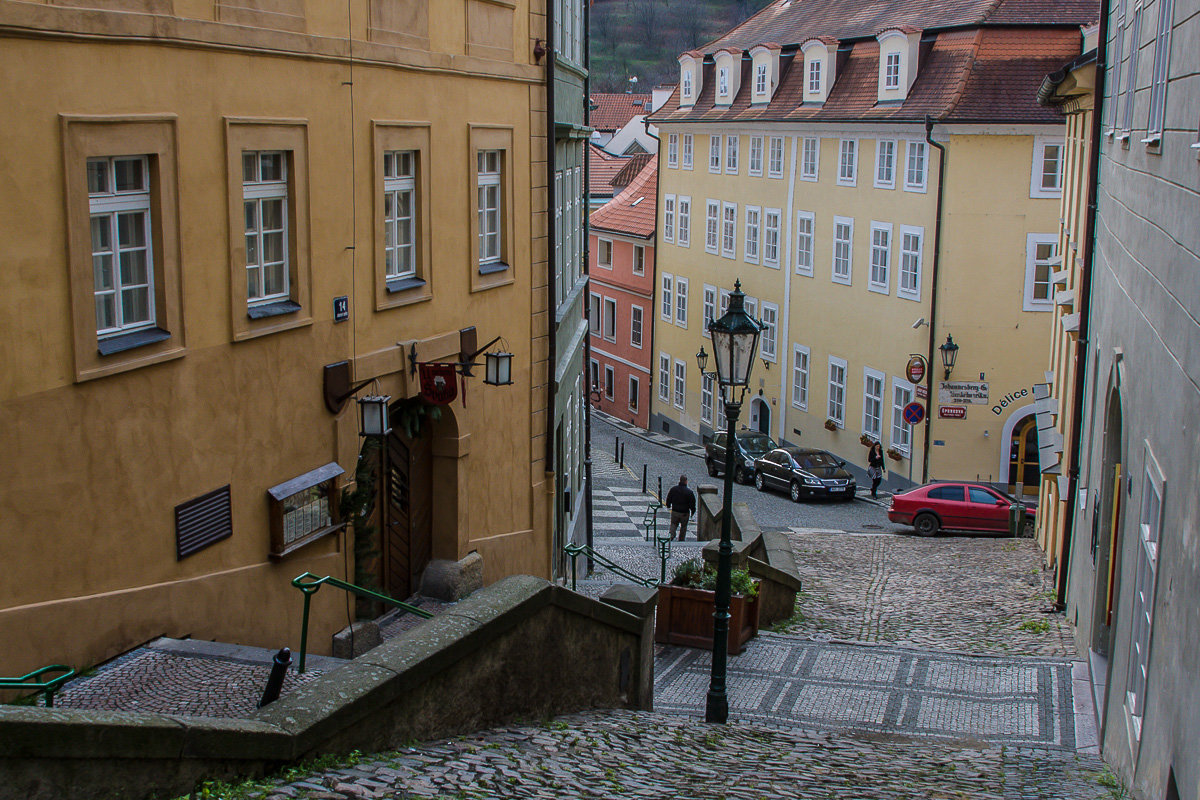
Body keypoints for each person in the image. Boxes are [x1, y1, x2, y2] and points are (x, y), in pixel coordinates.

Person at [665, 475, 697, 541]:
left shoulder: (673, 489)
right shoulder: (689, 492)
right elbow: (692, 503)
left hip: (675, 511)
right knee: (683, 527)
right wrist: (693, 511)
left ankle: (671, 535)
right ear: (686, 481)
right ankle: (681, 539)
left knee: (673, 524)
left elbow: (669, 498)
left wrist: (668, 505)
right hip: (684, 513)